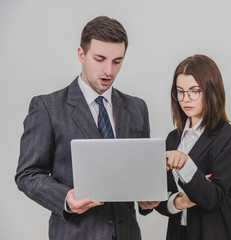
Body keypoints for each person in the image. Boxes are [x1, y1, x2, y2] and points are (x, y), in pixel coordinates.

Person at [15, 16, 158, 240]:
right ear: (81, 54)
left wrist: (147, 200)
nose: (108, 70)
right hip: (76, 233)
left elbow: (140, 175)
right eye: (100, 59)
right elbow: (28, 174)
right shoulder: (48, 107)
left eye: (117, 61)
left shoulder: (137, 108)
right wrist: (66, 198)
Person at [155, 54, 231, 240]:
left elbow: (212, 198)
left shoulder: (229, 138)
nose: (185, 98)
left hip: (217, 232)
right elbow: (159, 196)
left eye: (194, 91)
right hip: (178, 233)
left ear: (211, 91)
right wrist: (178, 202)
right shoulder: (173, 139)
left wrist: (186, 164)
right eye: (180, 91)